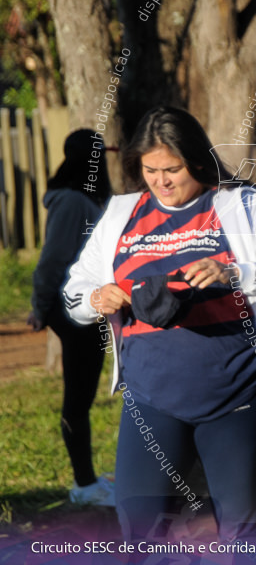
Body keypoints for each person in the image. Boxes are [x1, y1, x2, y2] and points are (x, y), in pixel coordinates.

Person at [63, 106, 256, 543]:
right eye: (150, 169)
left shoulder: (239, 205)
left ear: (196, 161)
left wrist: (233, 271)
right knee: (139, 526)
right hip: (151, 398)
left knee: (239, 527)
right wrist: (95, 298)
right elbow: (75, 291)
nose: (161, 180)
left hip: (238, 394)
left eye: (172, 169)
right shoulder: (122, 213)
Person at [29, 129, 115, 507]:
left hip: (84, 307)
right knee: (77, 397)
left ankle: (89, 480)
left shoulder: (82, 199)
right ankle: (83, 485)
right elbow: (52, 260)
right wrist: (39, 305)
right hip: (70, 309)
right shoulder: (72, 202)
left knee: (84, 393)